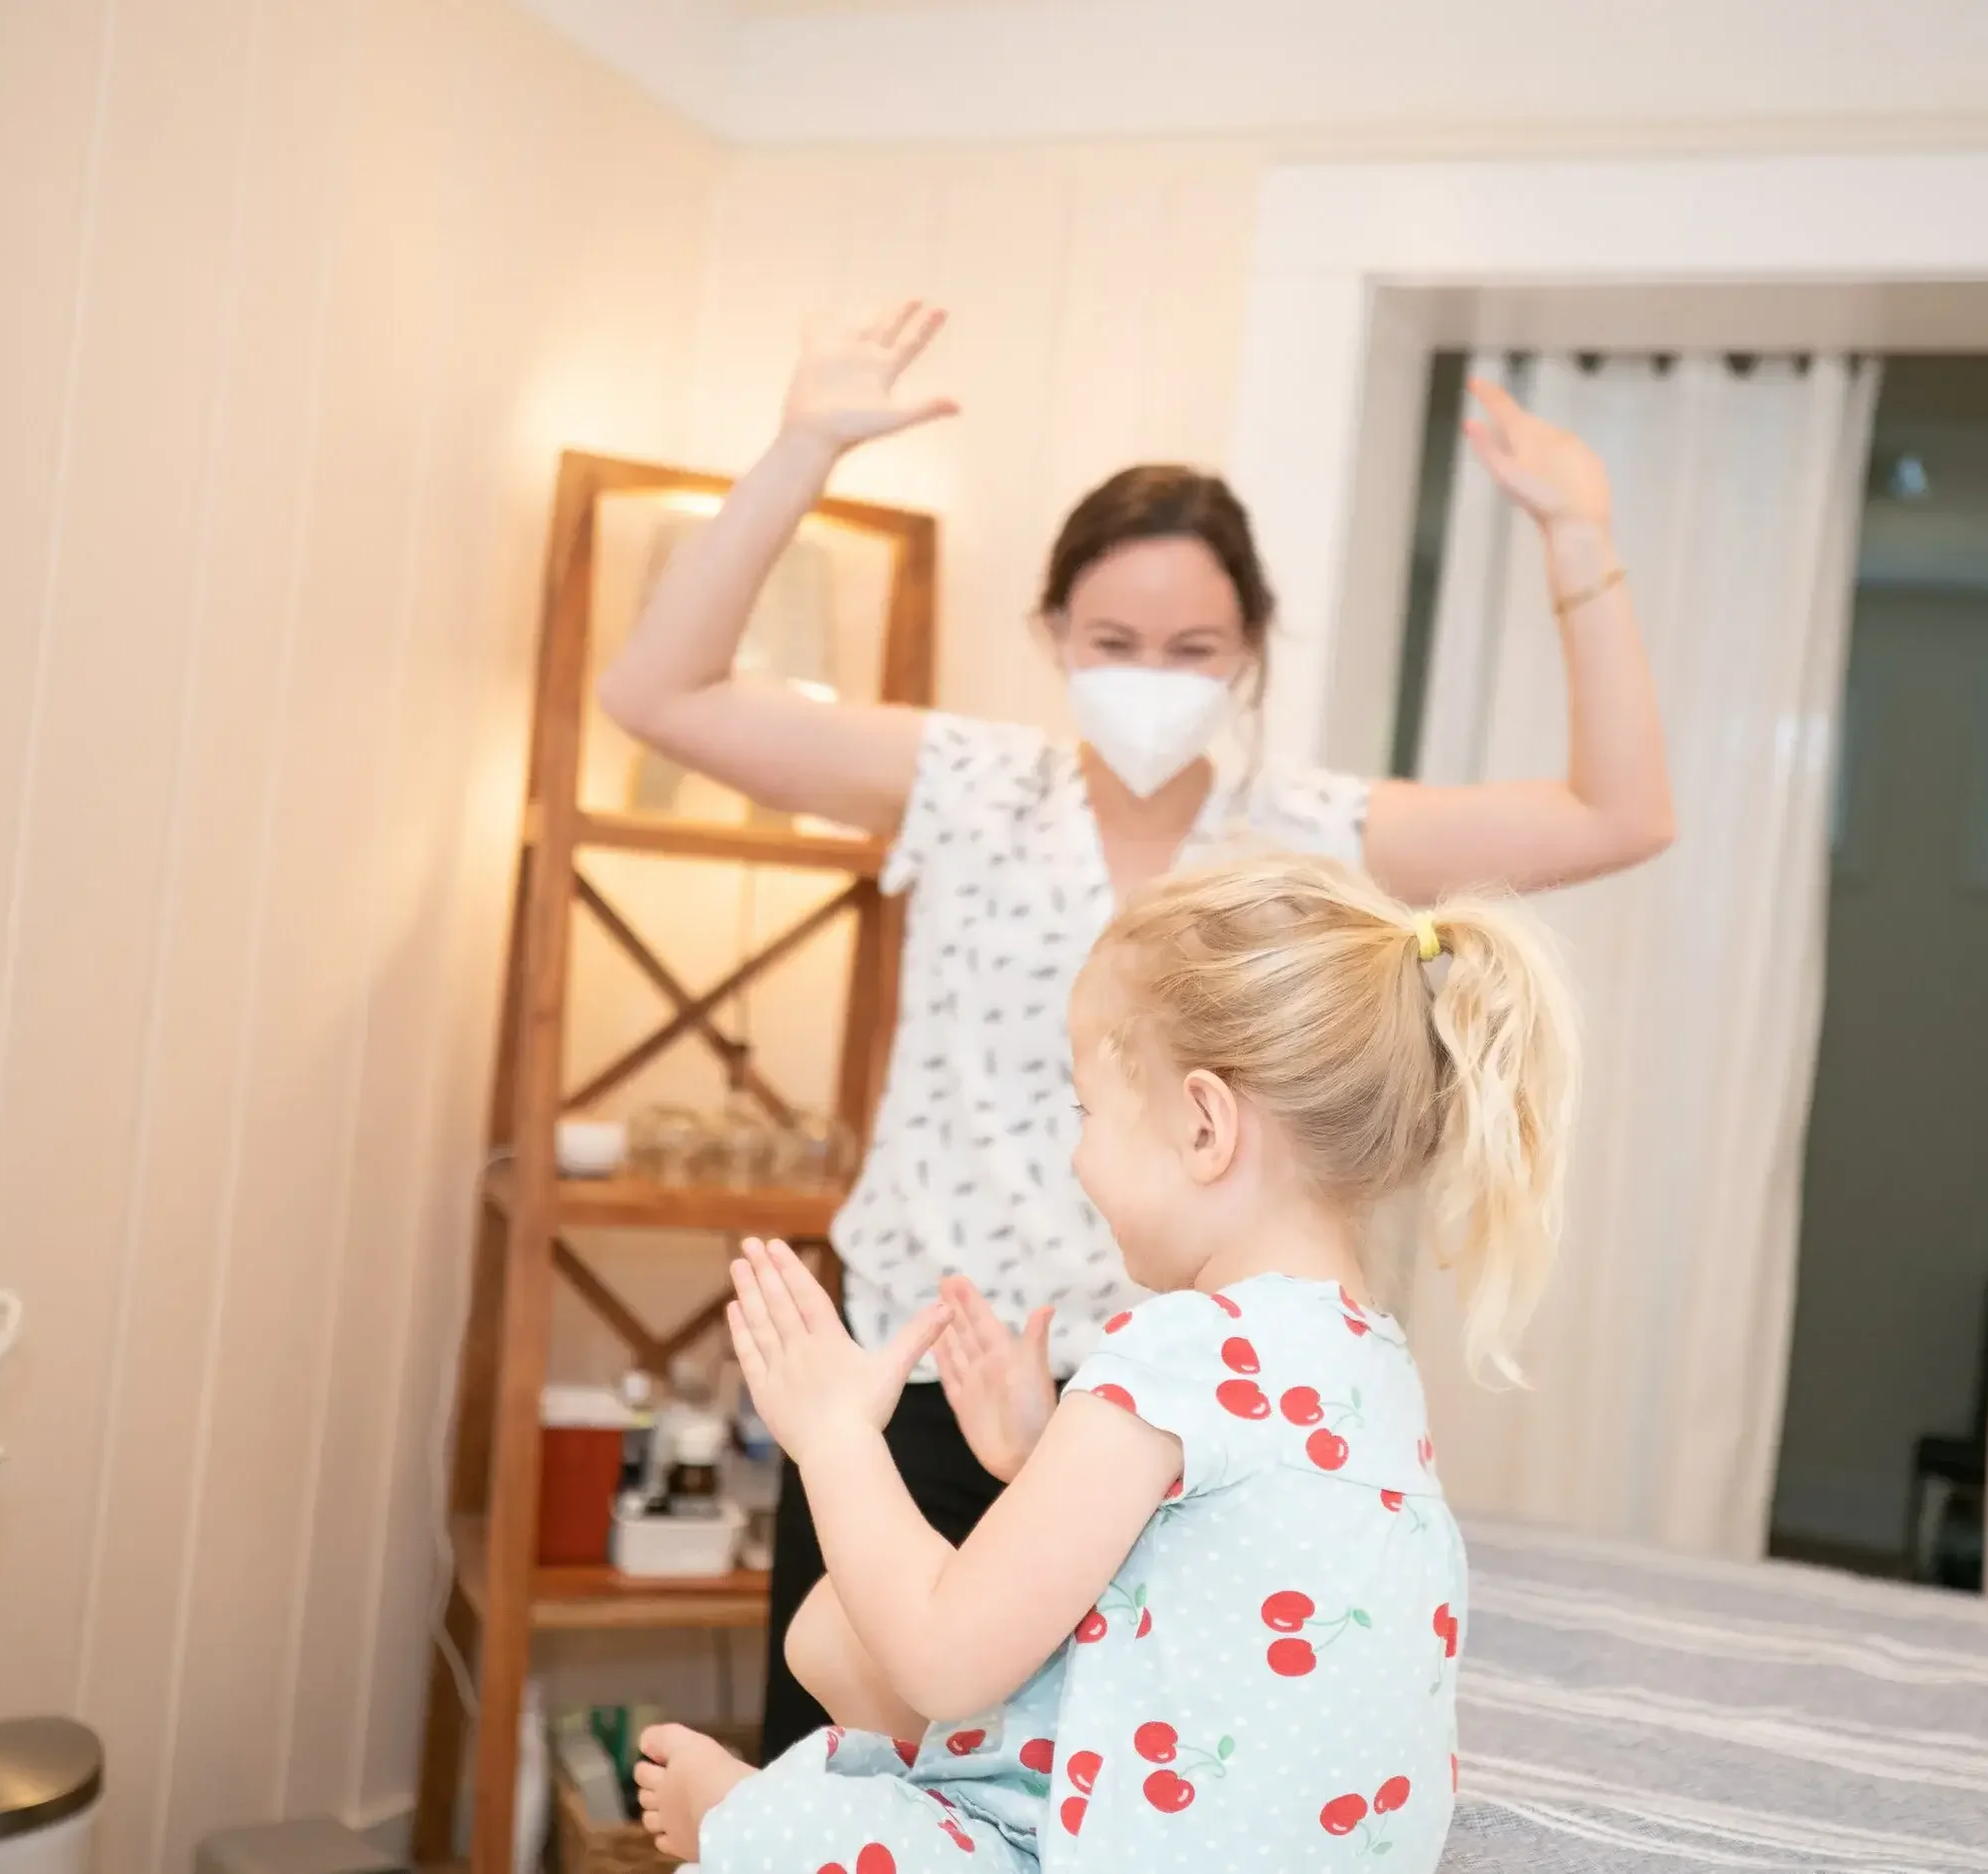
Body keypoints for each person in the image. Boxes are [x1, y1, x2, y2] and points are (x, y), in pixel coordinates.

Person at [596, 300, 1670, 1757]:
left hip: (1156, 1419)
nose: (1150, 675)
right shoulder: (966, 783)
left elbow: (1618, 813)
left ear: (1249, 653)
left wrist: (1579, 538)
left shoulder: (1312, 833)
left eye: (1191, 645)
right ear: (1052, 633)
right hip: (922, 1374)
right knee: (838, 1771)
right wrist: (803, 450)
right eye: (1112, 640)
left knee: (1084, 1787)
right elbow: (656, 693)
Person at [635, 850, 1580, 1873]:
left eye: (1087, 1114)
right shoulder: (1371, 1362)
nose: (1078, 1157)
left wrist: (832, 1435)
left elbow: (943, 1658)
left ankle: (736, 1816)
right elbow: (1206, 1591)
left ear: (1206, 1126)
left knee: (818, 1770)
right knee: (833, 1635)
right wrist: (1040, 1459)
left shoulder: (1180, 1348)